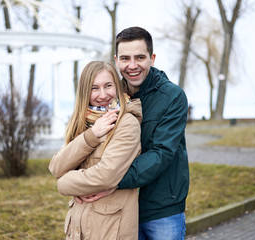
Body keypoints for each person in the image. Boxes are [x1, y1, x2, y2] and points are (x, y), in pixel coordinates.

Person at [80, 26, 190, 240]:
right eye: (125, 58)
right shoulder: (110, 95)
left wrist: (110, 181)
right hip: (119, 205)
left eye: (140, 57)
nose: (132, 66)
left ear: (152, 58)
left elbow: (161, 153)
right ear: (116, 60)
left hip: (162, 207)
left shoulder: (173, 97)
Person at [49, 61, 142, 240]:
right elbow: (56, 167)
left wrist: (64, 183)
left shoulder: (126, 123)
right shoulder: (83, 122)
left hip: (110, 230)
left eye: (108, 86)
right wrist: (91, 135)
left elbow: (106, 175)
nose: (103, 95)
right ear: (85, 92)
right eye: (94, 88)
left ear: (117, 85)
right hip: (79, 228)